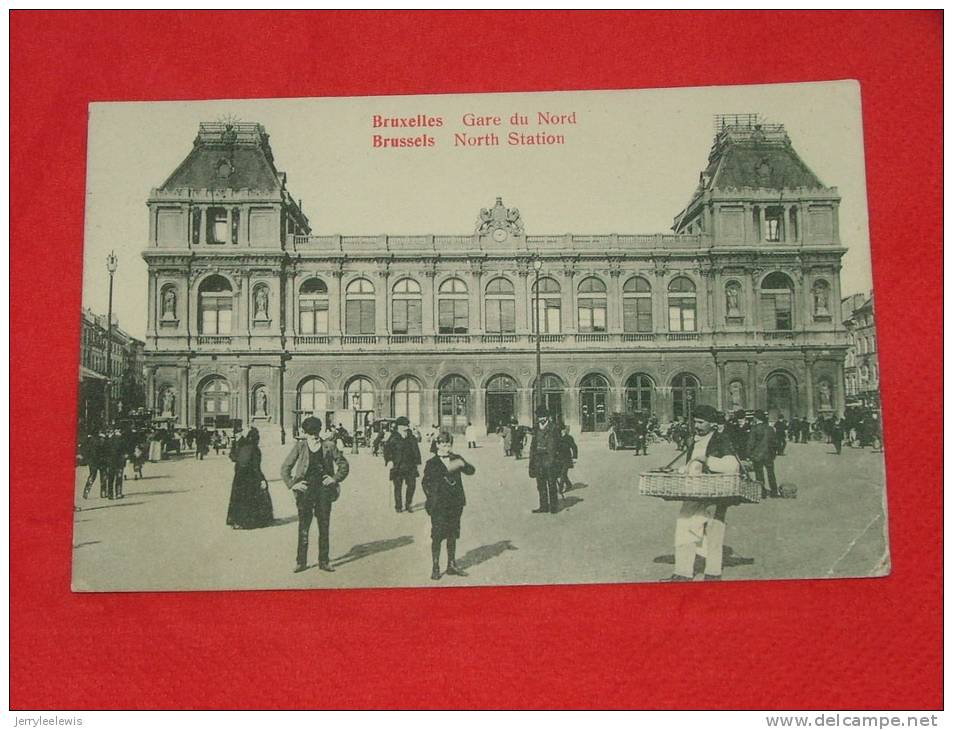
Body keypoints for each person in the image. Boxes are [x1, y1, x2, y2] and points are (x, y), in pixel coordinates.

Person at [666, 405, 741, 582]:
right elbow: (691, 464)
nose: (697, 426)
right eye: (695, 422)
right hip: (694, 491)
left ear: (712, 424)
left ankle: (713, 573)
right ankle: (683, 572)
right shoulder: (694, 441)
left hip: (715, 492)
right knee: (685, 526)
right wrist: (681, 471)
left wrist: (707, 460)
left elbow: (732, 466)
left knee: (714, 531)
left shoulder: (721, 440)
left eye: (701, 422)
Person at [281, 417, 349, 574]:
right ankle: (301, 562)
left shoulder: (329, 446)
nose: (314, 437)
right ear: (305, 433)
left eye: (316, 433)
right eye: (311, 434)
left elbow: (343, 464)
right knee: (304, 526)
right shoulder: (300, 446)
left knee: (324, 526)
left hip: (324, 491)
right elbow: (285, 467)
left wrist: (334, 478)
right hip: (305, 491)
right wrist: (293, 484)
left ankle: (324, 561)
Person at [422, 431, 476, 580]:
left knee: (452, 534)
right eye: (443, 444)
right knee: (437, 536)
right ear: (437, 445)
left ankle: (451, 564)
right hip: (438, 505)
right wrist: (431, 498)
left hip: (455, 503)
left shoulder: (456, 459)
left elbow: (471, 471)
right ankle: (435, 566)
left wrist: (462, 462)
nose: (446, 447)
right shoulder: (431, 463)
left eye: (449, 444)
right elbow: (425, 483)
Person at [226, 428, 274, 530]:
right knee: (252, 498)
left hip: (239, 476)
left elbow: (234, 458)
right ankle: (251, 521)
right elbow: (256, 467)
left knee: (239, 499)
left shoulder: (243, 446)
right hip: (251, 477)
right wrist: (261, 479)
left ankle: (237, 521)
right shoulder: (255, 449)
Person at [384, 416, 422, 513]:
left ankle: (408, 504)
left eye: (407, 425)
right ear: (399, 427)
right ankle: (398, 506)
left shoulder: (411, 437)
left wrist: (417, 462)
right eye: (404, 426)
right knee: (398, 487)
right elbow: (387, 450)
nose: (406, 427)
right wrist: (389, 461)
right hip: (398, 466)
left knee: (412, 485)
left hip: (410, 466)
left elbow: (416, 450)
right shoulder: (393, 437)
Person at [528, 406, 561, 514]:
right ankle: (543, 506)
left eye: (543, 416)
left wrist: (555, 460)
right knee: (540, 484)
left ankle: (554, 507)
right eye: (539, 417)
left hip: (550, 459)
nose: (541, 419)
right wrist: (532, 460)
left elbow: (558, 445)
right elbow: (533, 445)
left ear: (547, 417)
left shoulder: (553, 428)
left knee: (551, 484)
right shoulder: (536, 428)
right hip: (538, 460)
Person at [747, 410, 779, 498]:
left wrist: (748, 454)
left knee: (759, 473)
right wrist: (773, 454)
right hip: (769, 455)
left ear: (756, 418)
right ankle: (774, 491)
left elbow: (751, 443)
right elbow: (775, 443)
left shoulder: (754, 429)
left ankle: (762, 492)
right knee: (771, 473)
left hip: (757, 455)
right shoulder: (770, 429)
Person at [556, 423, 578, 495]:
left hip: (567, 458)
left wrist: (574, 457)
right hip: (558, 459)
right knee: (561, 473)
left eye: (562, 430)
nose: (561, 431)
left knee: (563, 473)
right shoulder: (557, 438)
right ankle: (569, 484)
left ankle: (560, 489)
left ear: (564, 430)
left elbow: (574, 447)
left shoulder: (569, 438)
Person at [81, 431, 105, 500]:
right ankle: (103, 492)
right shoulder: (101, 440)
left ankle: (86, 492)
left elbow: (85, 450)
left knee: (92, 476)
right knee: (103, 476)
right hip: (101, 461)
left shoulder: (89, 440)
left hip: (92, 462)